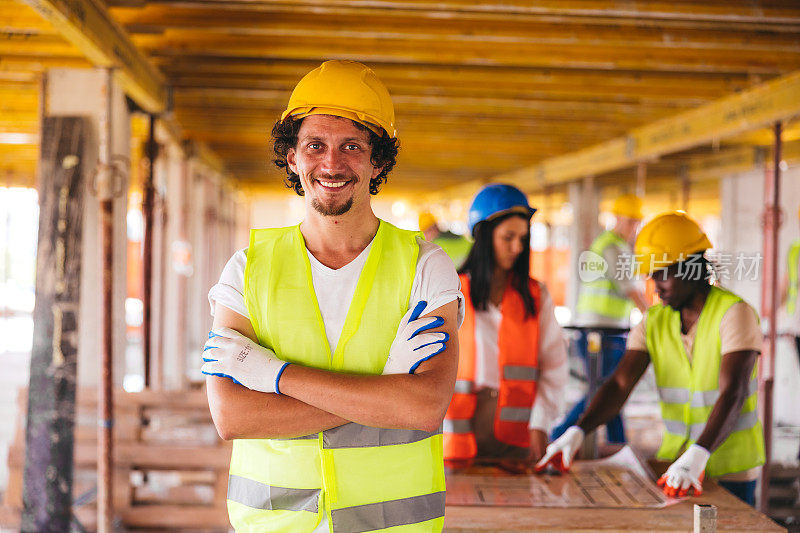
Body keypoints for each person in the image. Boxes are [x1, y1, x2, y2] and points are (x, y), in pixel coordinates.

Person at [201, 60, 464, 532]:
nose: (332, 164)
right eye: (315, 146)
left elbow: (424, 408)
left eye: (352, 147)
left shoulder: (424, 266)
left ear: (376, 160)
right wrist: (385, 392)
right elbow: (232, 415)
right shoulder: (247, 269)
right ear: (293, 158)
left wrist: (274, 376)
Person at [538, 211, 765, 506]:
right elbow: (620, 384)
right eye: (651, 275)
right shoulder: (653, 321)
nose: (655, 285)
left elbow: (732, 392)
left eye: (662, 273)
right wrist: (578, 430)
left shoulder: (734, 314)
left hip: (730, 471)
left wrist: (699, 454)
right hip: (673, 465)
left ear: (690, 267)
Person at [443, 184, 568, 472]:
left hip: (518, 437)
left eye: (523, 238)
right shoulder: (450, 290)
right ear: (483, 237)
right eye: (507, 237)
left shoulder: (537, 295)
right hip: (455, 437)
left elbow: (554, 366)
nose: (518, 248)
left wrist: (541, 422)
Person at [552, 194, 648, 444]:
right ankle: (559, 435)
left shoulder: (617, 246)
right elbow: (632, 291)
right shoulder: (612, 247)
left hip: (607, 331)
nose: (633, 227)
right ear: (616, 218)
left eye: (636, 222)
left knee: (610, 390)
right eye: (630, 221)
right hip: (601, 333)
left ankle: (618, 445)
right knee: (604, 392)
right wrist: (656, 319)